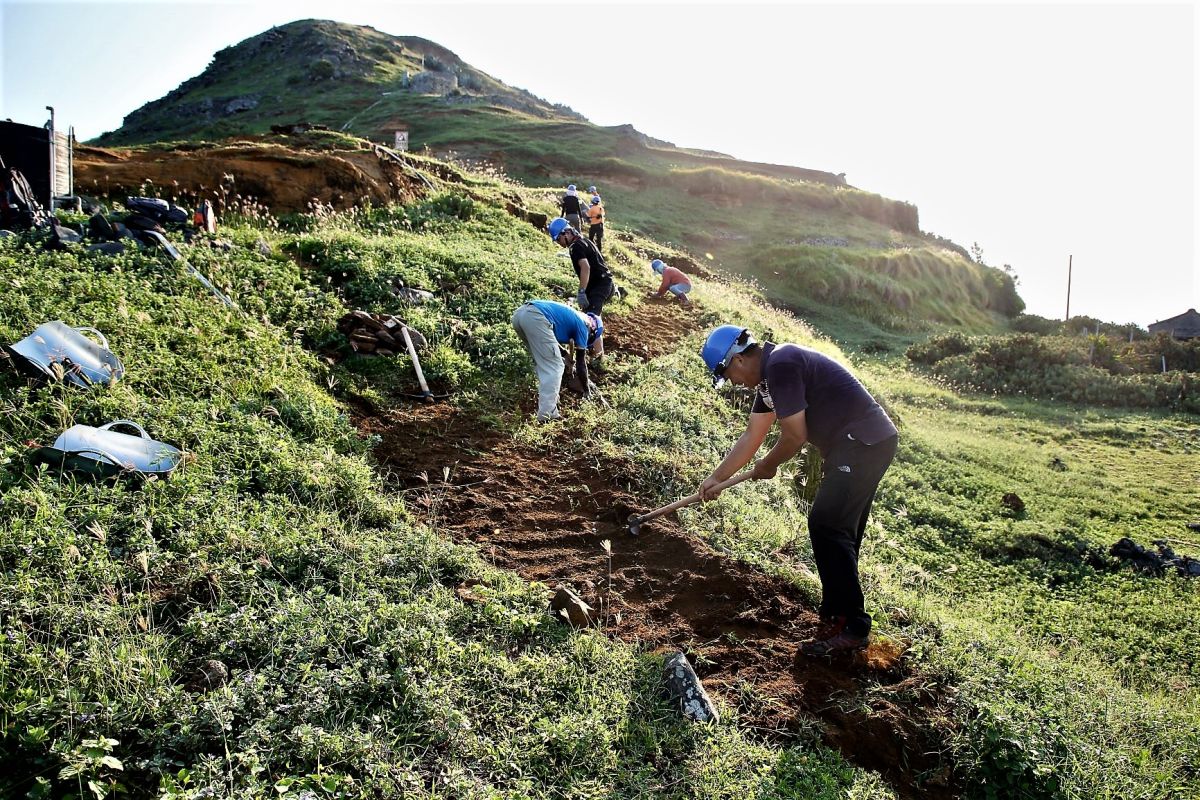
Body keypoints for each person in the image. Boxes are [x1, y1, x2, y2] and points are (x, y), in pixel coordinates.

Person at [696, 325, 899, 657]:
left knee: (827, 524)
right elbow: (753, 436)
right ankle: (837, 616)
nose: (733, 382)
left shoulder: (781, 365)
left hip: (864, 441)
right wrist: (716, 478)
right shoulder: (767, 381)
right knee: (837, 529)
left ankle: (854, 627)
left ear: (738, 360)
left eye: (727, 374)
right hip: (857, 445)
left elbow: (794, 435)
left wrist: (769, 465)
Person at [510, 299, 603, 422]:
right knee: (555, 366)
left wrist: (565, 354)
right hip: (536, 317)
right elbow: (581, 363)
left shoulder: (575, 316)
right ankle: (548, 415)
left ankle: (551, 403)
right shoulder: (585, 325)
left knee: (543, 362)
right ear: (593, 331)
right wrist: (587, 391)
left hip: (520, 315)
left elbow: (549, 338)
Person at [547, 217, 617, 347]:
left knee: (591, 321)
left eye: (558, 239)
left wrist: (581, 292)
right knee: (587, 318)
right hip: (603, 283)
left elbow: (585, 267)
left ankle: (598, 358)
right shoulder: (585, 241)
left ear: (566, 233)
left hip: (600, 286)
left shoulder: (575, 247)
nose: (559, 243)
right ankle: (591, 350)